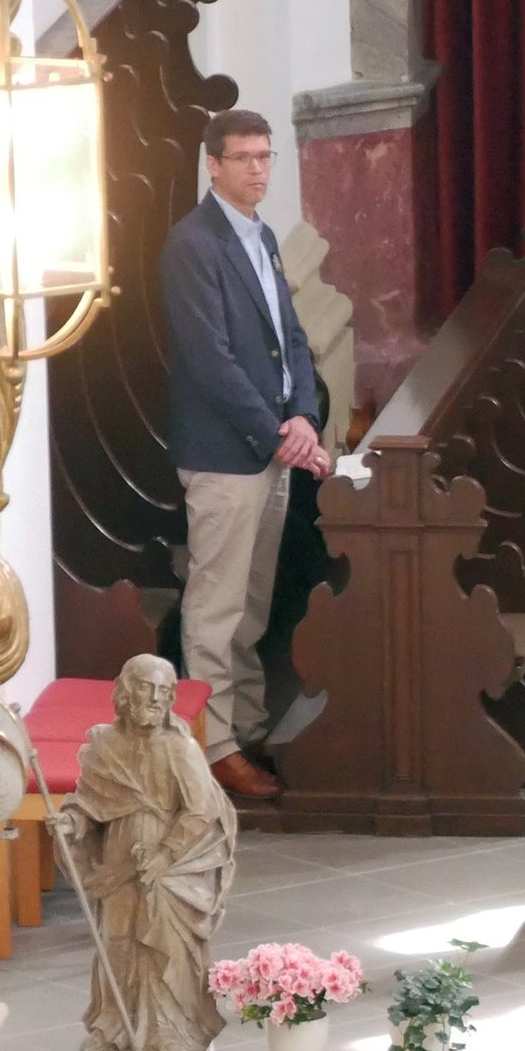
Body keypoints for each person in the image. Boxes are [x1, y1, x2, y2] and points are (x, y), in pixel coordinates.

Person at [159, 107, 328, 802]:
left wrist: (304, 416)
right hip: (226, 455)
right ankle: (214, 747)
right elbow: (210, 361)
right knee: (216, 608)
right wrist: (278, 432)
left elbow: (291, 338)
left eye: (266, 156)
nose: (259, 170)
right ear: (213, 164)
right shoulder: (192, 244)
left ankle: (247, 723)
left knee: (252, 602)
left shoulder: (261, 235)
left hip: (271, 448)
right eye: (244, 158)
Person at [61, 654, 238, 1051]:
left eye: (164, 691)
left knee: (165, 946)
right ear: (126, 692)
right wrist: (71, 822)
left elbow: (200, 811)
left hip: (170, 859)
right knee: (116, 940)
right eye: (146, 687)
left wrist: (165, 853)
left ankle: (170, 1030)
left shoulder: (180, 747)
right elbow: (89, 802)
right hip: (118, 855)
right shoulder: (106, 744)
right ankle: (114, 1027)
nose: (156, 698)